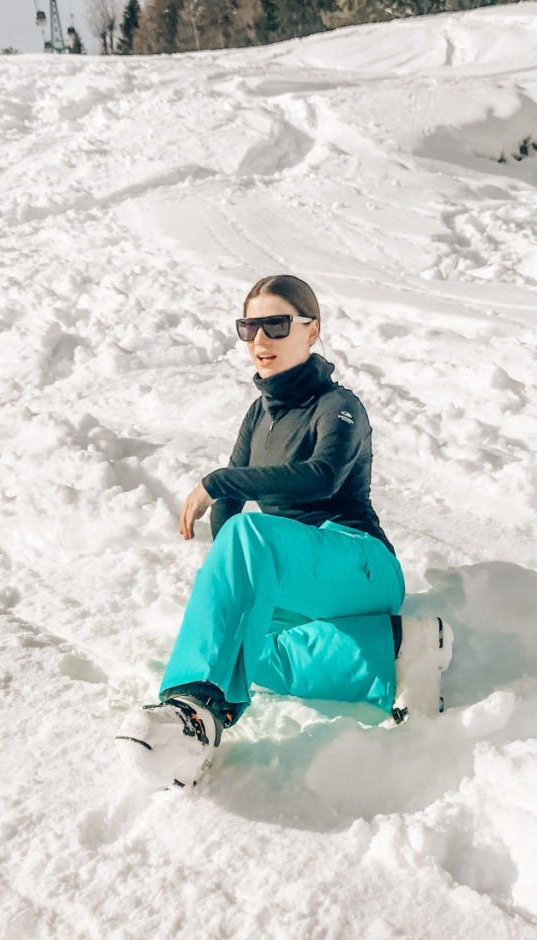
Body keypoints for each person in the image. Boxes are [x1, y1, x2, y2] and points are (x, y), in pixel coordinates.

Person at [115, 275, 452, 788]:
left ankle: (195, 714)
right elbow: (230, 505)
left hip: (360, 563)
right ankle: (398, 647)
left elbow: (323, 477)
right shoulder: (259, 413)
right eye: (248, 327)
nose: (259, 339)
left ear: (311, 331)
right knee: (240, 647)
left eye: (275, 325)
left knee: (249, 538)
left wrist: (219, 483)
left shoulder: (339, 406)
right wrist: (231, 574)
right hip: (298, 580)